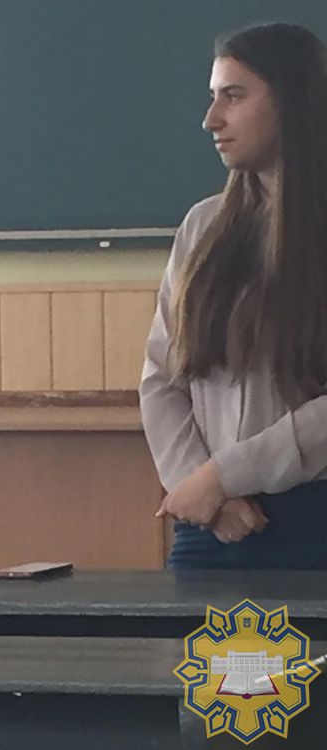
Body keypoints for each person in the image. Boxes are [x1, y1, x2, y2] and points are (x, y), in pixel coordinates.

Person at [140, 23, 327, 570]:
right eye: (212, 96)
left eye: (234, 96)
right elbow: (162, 378)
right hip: (213, 525)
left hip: (313, 519)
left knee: (295, 639)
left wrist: (226, 475)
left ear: (293, 101)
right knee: (217, 637)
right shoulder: (203, 226)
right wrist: (200, 485)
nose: (211, 119)